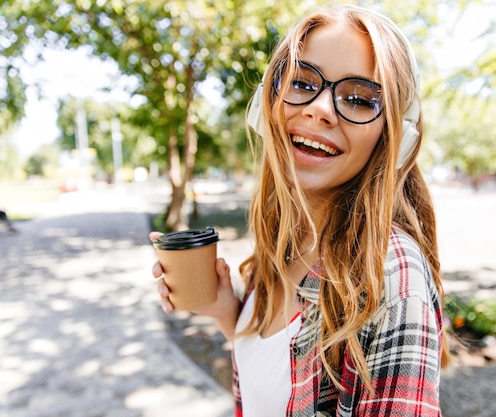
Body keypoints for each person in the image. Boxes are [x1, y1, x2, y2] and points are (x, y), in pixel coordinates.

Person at [151, 5, 449, 416]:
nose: (320, 108)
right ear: (266, 104)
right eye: (302, 82)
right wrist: (227, 314)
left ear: (396, 137)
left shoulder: (390, 277)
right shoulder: (283, 242)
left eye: (359, 98)